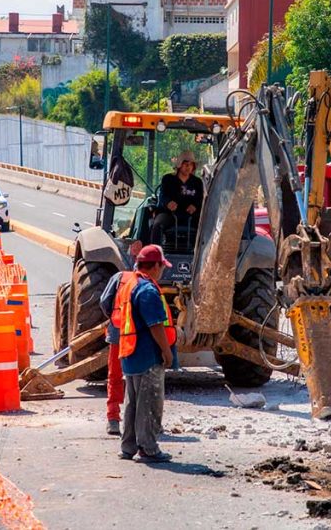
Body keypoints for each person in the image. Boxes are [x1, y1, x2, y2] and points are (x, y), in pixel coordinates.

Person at [115, 245, 177, 463]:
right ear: (156, 265)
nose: (163, 271)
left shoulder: (130, 284)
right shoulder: (148, 290)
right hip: (147, 355)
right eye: (162, 266)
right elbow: (156, 326)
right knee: (149, 403)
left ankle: (128, 446)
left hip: (130, 354)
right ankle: (148, 449)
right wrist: (167, 352)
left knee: (132, 403)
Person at [150, 150, 203, 245]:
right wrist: (168, 202)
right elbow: (162, 195)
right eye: (185, 164)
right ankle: (155, 253)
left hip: (190, 215)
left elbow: (201, 199)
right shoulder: (168, 179)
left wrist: (195, 206)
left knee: (207, 225)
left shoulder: (197, 182)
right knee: (157, 225)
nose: (188, 167)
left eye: (191, 164)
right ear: (179, 165)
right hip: (170, 214)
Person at [100, 270, 128, 436]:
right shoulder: (149, 282)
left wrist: (114, 318)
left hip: (118, 333)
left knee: (114, 376)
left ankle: (113, 420)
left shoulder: (120, 277)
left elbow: (104, 302)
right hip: (140, 337)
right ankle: (144, 420)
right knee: (139, 380)